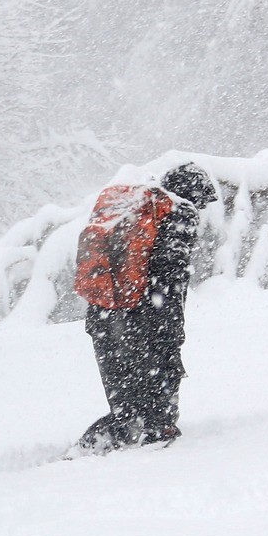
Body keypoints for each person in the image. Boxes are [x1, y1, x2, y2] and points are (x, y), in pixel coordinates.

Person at [78, 163, 214, 451]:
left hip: (103, 310)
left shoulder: (138, 209)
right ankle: (157, 430)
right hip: (145, 312)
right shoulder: (179, 214)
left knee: (120, 373)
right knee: (160, 368)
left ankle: (121, 426)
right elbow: (169, 277)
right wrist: (171, 329)